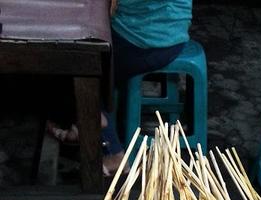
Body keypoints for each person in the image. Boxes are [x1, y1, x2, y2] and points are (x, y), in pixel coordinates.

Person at [49, 0, 192, 176]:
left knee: (79, 58)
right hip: (174, 36)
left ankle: (112, 150)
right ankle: (82, 125)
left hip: (140, 42)